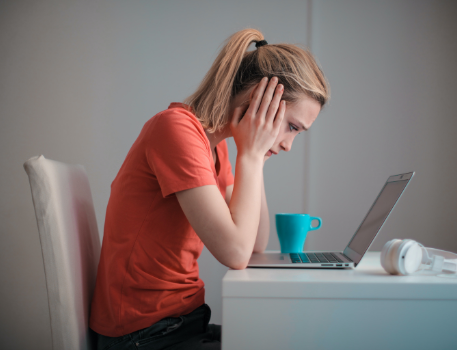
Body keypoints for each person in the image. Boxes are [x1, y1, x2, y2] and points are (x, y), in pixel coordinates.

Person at [89, 28, 330, 350]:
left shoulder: (215, 147)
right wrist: (252, 156)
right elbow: (236, 254)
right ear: (261, 100)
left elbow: (254, 243)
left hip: (184, 321)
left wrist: (255, 155)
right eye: (292, 127)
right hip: (143, 334)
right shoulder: (175, 129)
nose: (289, 144)